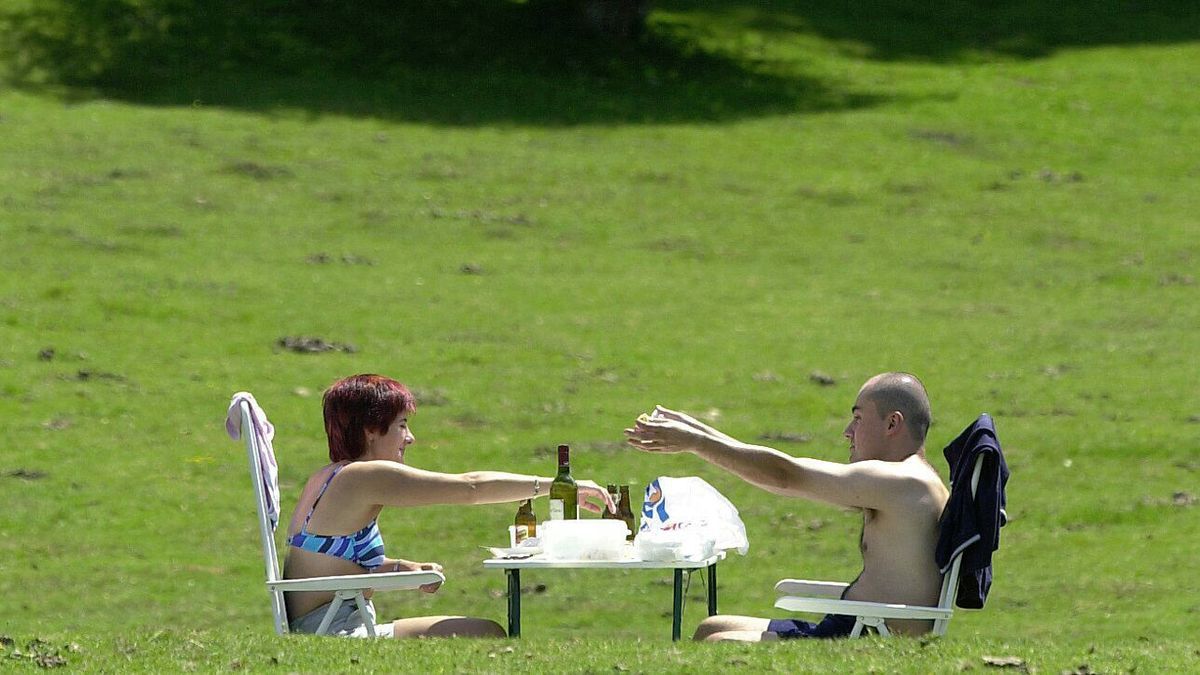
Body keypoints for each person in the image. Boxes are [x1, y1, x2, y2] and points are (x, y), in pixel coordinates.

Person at [624, 372, 949, 641]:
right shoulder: (909, 482)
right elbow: (785, 476)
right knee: (711, 627)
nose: (847, 432)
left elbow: (785, 476)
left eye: (858, 419)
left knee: (718, 644)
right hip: (856, 626)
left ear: (892, 424)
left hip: (871, 636)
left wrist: (696, 443)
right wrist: (695, 430)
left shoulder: (902, 482)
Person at [284, 373, 615, 638]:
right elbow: (469, 487)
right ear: (371, 430)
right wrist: (554, 485)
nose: (410, 437)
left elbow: (329, 567)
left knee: (483, 631)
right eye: (401, 425)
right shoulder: (364, 476)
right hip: (336, 633)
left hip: (324, 625)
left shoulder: (329, 477)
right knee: (487, 633)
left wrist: (400, 568)